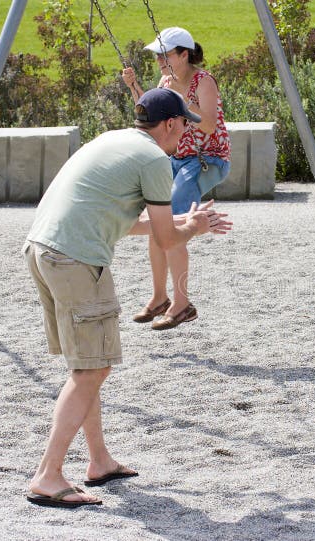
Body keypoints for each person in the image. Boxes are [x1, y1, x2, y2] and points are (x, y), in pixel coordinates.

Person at [23, 88, 232, 508]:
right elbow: (166, 239)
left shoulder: (112, 139)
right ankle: (47, 475)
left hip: (41, 249)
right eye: (184, 126)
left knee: (87, 367)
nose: (185, 136)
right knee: (91, 372)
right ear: (171, 124)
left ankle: (98, 461)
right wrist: (195, 228)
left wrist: (185, 220)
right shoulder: (156, 159)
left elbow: (125, 220)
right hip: (76, 259)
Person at [122, 26, 231, 330]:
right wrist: (135, 88)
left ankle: (181, 303)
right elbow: (154, 116)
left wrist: (182, 98)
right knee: (157, 218)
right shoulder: (166, 80)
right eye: (157, 55)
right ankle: (159, 297)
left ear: (185, 54)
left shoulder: (204, 81)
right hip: (176, 157)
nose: (159, 60)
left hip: (207, 158)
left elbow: (208, 125)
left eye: (165, 54)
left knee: (171, 223)